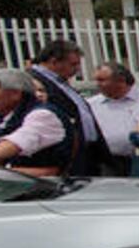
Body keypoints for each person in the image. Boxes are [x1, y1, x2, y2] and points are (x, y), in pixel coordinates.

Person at [29, 39, 112, 175]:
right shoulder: (35, 81)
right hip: (66, 155)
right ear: (54, 62)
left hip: (87, 152)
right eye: (73, 64)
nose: (77, 69)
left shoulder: (59, 81)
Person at [0, 68, 73, 176]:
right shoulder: (4, 118)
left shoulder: (43, 115)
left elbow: (18, 142)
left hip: (51, 188)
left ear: (15, 93)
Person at [88, 62, 139, 176]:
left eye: (102, 80)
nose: (97, 84)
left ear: (121, 80)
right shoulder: (92, 104)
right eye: (96, 80)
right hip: (110, 164)